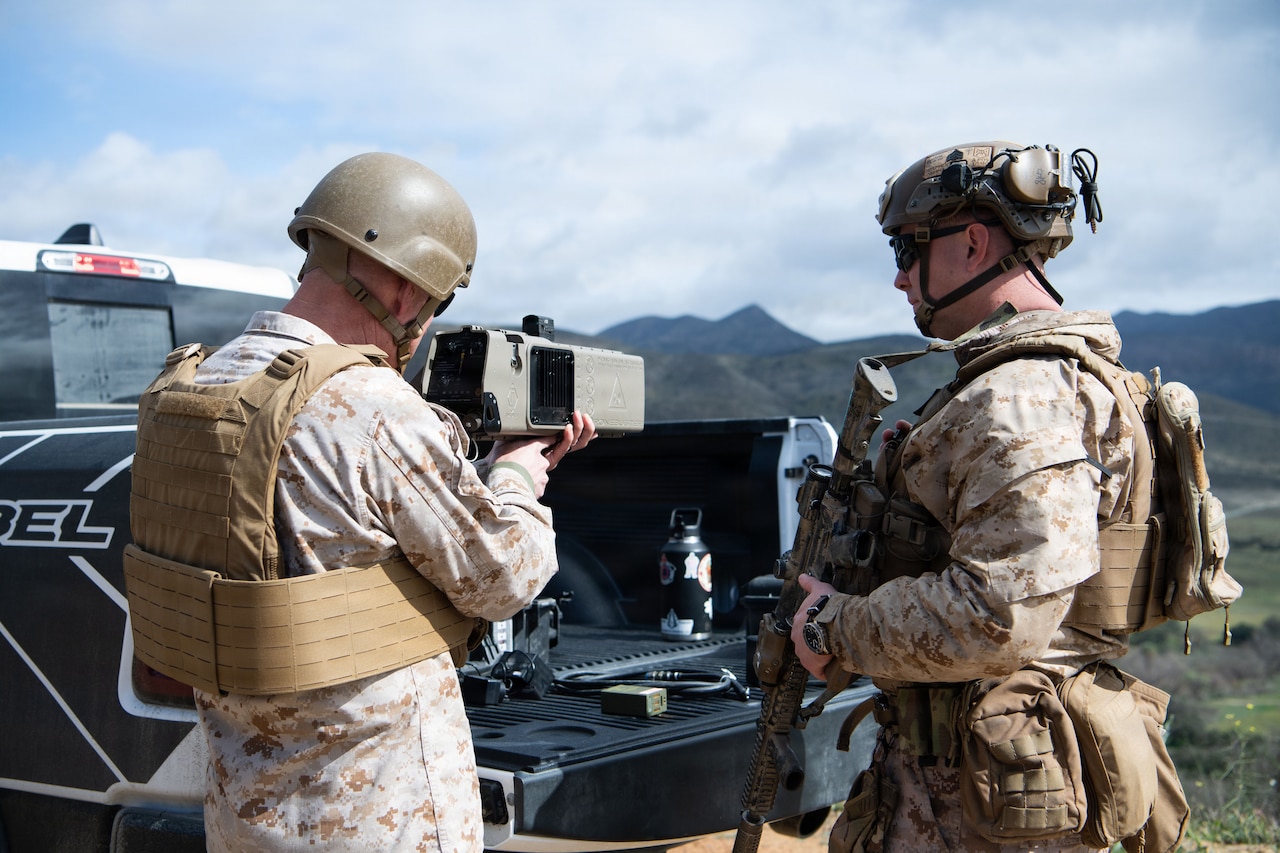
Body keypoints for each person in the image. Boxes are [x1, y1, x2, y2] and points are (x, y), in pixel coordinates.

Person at [125, 152, 595, 852]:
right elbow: (505, 575)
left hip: (244, 813)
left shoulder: (188, 391)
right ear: (406, 292)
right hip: (377, 817)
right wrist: (519, 478)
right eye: (435, 303)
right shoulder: (370, 407)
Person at [790, 141, 1183, 852]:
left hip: (983, 803)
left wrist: (832, 628)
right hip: (1009, 774)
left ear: (972, 243)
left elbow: (999, 614)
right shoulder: (1060, 378)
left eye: (908, 250)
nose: (901, 278)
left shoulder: (1019, 397)